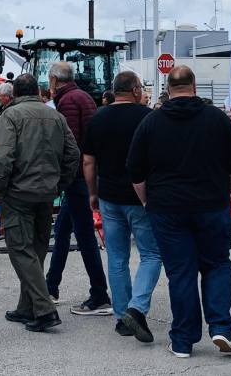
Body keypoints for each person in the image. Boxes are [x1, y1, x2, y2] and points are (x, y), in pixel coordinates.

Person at [127, 66, 231, 358]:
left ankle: (182, 340)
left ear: (168, 87)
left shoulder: (151, 122)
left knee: (180, 273)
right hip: (211, 204)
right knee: (217, 265)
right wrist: (229, 193)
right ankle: (220, 327)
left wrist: (146, 201)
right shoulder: (217, 119)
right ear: (194, 85)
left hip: (167, 208)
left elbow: (134, 169)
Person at [0, 73, 79, 332]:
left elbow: (3, 156)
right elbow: (72, 154)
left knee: (20, 249)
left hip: (18, 192)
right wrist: (58, 184)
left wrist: (0, 187)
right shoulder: (56, 116)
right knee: (37, 249)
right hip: (45, 193)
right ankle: (27, 306)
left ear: (15, 93)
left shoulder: (10, 115)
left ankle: (44, 308)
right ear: (38, 91)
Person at [82, 71, 161, 341]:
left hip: (109, 195)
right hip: (141, 197)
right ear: (136, 90)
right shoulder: (147, 117)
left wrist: (93, 193)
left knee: (117, 257)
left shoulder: (98, 118)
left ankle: (121, 315)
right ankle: (136, 308)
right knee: (151, 254)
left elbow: (88, 161)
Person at [45, 62, 111, 315]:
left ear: (53, 80)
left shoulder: (67, 101)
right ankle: (51, 286)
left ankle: (100, 295)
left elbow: (69, 143)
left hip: (77, 178)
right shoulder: (82, 96)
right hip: (83, 175)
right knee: (62, 229)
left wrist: (61, 177)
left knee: (84, 237)